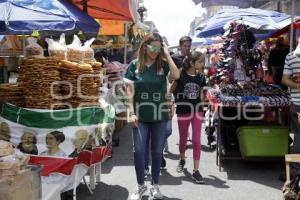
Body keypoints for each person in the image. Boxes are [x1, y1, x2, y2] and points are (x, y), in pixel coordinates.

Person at [125, 32, 180, 200]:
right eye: (153, 47)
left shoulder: (162, 66)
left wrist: (167, 55)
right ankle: (141, 185)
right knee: (139, 151)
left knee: (157, 152)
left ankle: (155, 186)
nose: (155, 51)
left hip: (160, 116)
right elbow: (129, 91)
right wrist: (131, 113)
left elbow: (176, 76)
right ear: (145, 46)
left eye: (159, 47)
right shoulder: (134, 66)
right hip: (140, 116)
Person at [171, 50, 206, 184]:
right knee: (183, 139)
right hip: (183, 111)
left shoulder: (202, 77)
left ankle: (196, 171)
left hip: (197, 111)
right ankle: (182, 159)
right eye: (200, 61)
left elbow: (201, 95)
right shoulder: (180, 75)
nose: (202, 64)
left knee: (197, 140)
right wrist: (171, 103)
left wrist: (202, 110)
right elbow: (171, 89)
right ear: (192, 62)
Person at [282, 37, 300, 178]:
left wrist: (297, 86)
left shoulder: (291, 56)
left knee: (298, 137)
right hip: (296, 103)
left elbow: (285, 79)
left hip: (296, 102)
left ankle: (294, 172)